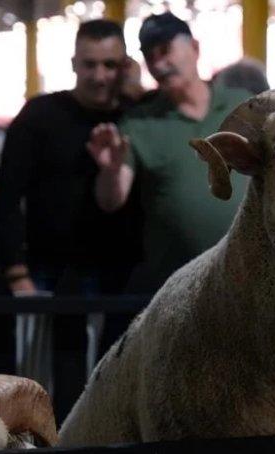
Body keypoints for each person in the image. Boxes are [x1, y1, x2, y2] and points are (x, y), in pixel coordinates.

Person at [0, 19, 143, 409]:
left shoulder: (137, 117)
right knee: (36, 384)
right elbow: (7, 196)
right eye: (89, 64)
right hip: (46, 272)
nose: (98, 75)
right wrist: (18, 272)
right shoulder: (40, 115)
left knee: (107, 387)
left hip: (114, 275)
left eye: (109, 65)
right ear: (74, 63)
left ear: (123, 66)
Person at [88, 12, 252, 291]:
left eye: (165, 51)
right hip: (178, 290)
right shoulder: (138, 124)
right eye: (150, 57)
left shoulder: (244, 106)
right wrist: (111, 170)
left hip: (251, 278)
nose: (159, 64)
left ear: (195, 48)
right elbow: (110, 200)